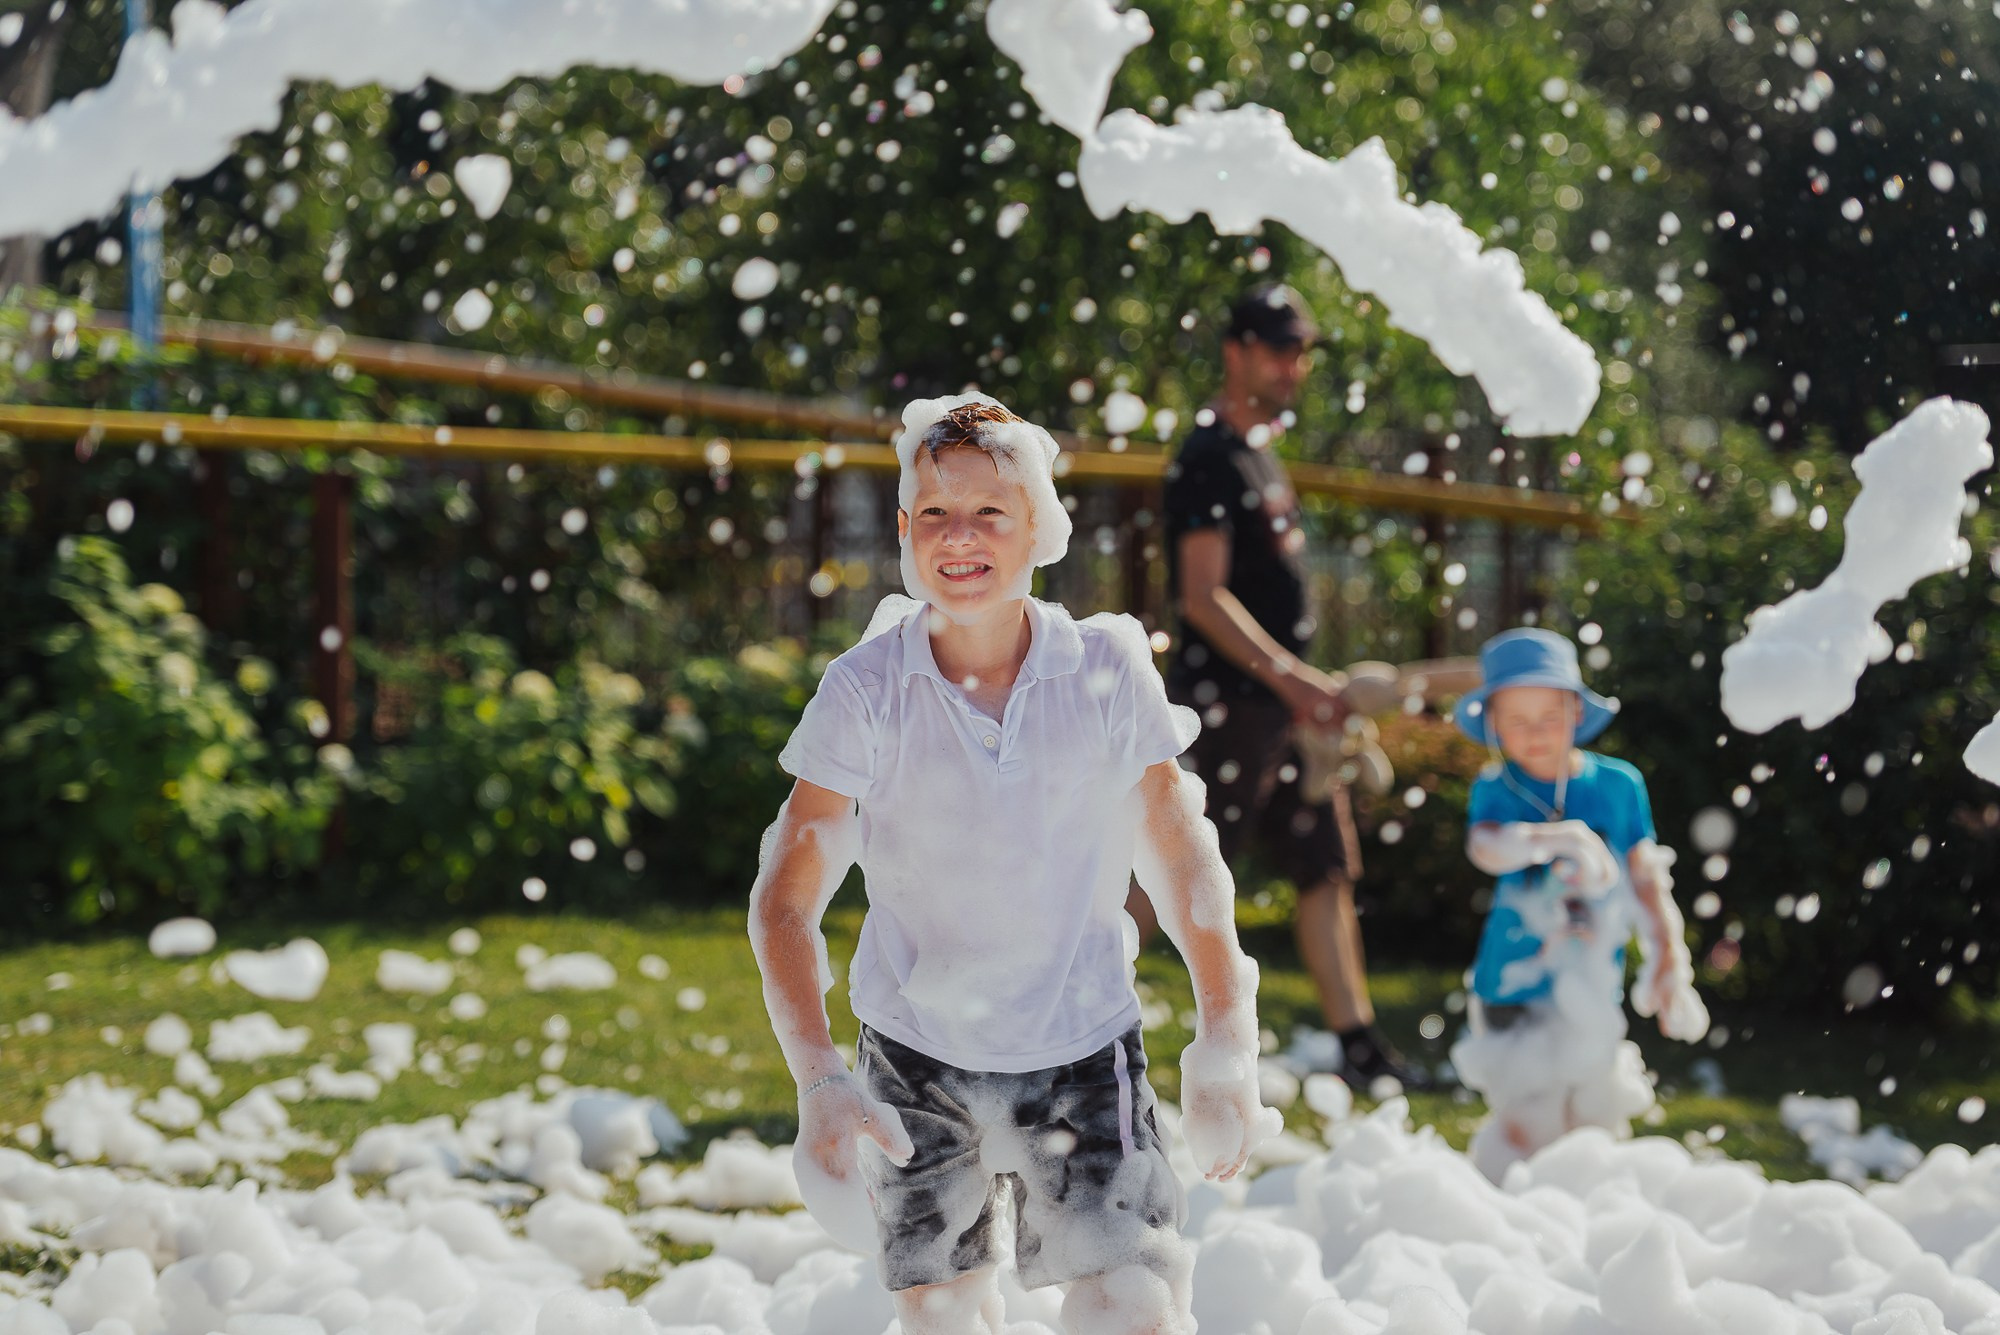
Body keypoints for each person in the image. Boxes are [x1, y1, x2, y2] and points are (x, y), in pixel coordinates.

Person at [748, 394, 1280, 1334]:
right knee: (942, 1317)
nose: (961, 536)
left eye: (990, 511)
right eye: (935, 513)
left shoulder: (1104, 668)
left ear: (1040, 526)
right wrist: (821, 1078)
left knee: (1134, 1307)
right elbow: (786, 899)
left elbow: (1181, 853)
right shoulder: (866, 690)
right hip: (915, 1059)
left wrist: (1226, 1035)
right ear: (906, 530)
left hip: (1083, 1043)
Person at [1157, 283, 1422, 1091]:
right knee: (1171, 876)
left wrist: (1297, 692)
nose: (1292, 365)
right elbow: (1202, 596)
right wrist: (1293, 677)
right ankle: (1074, 1027)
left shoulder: (1257, 452)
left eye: (1301, 350)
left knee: (1324, 868)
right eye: (1277, 348)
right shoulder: (1206, 456)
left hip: (1279, 710)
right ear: (1234, 349)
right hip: (1224, 706)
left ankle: (1361, 1046)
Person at [1447, 627, 1710, 1181]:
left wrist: (1668, 957)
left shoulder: (1618, 785)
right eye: (1516, 720)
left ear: (1576, 711)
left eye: (1550, 715)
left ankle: (1584, 1219)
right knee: (1527, 1117)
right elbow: (1486, 849)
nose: (1536, 732)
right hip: (1512, 978)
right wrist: (1555, 838)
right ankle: (1513, 1208)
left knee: (1594, 1114)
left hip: (1589, 979)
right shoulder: (1496, 789)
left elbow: (1646, 878)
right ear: (1492, 723)